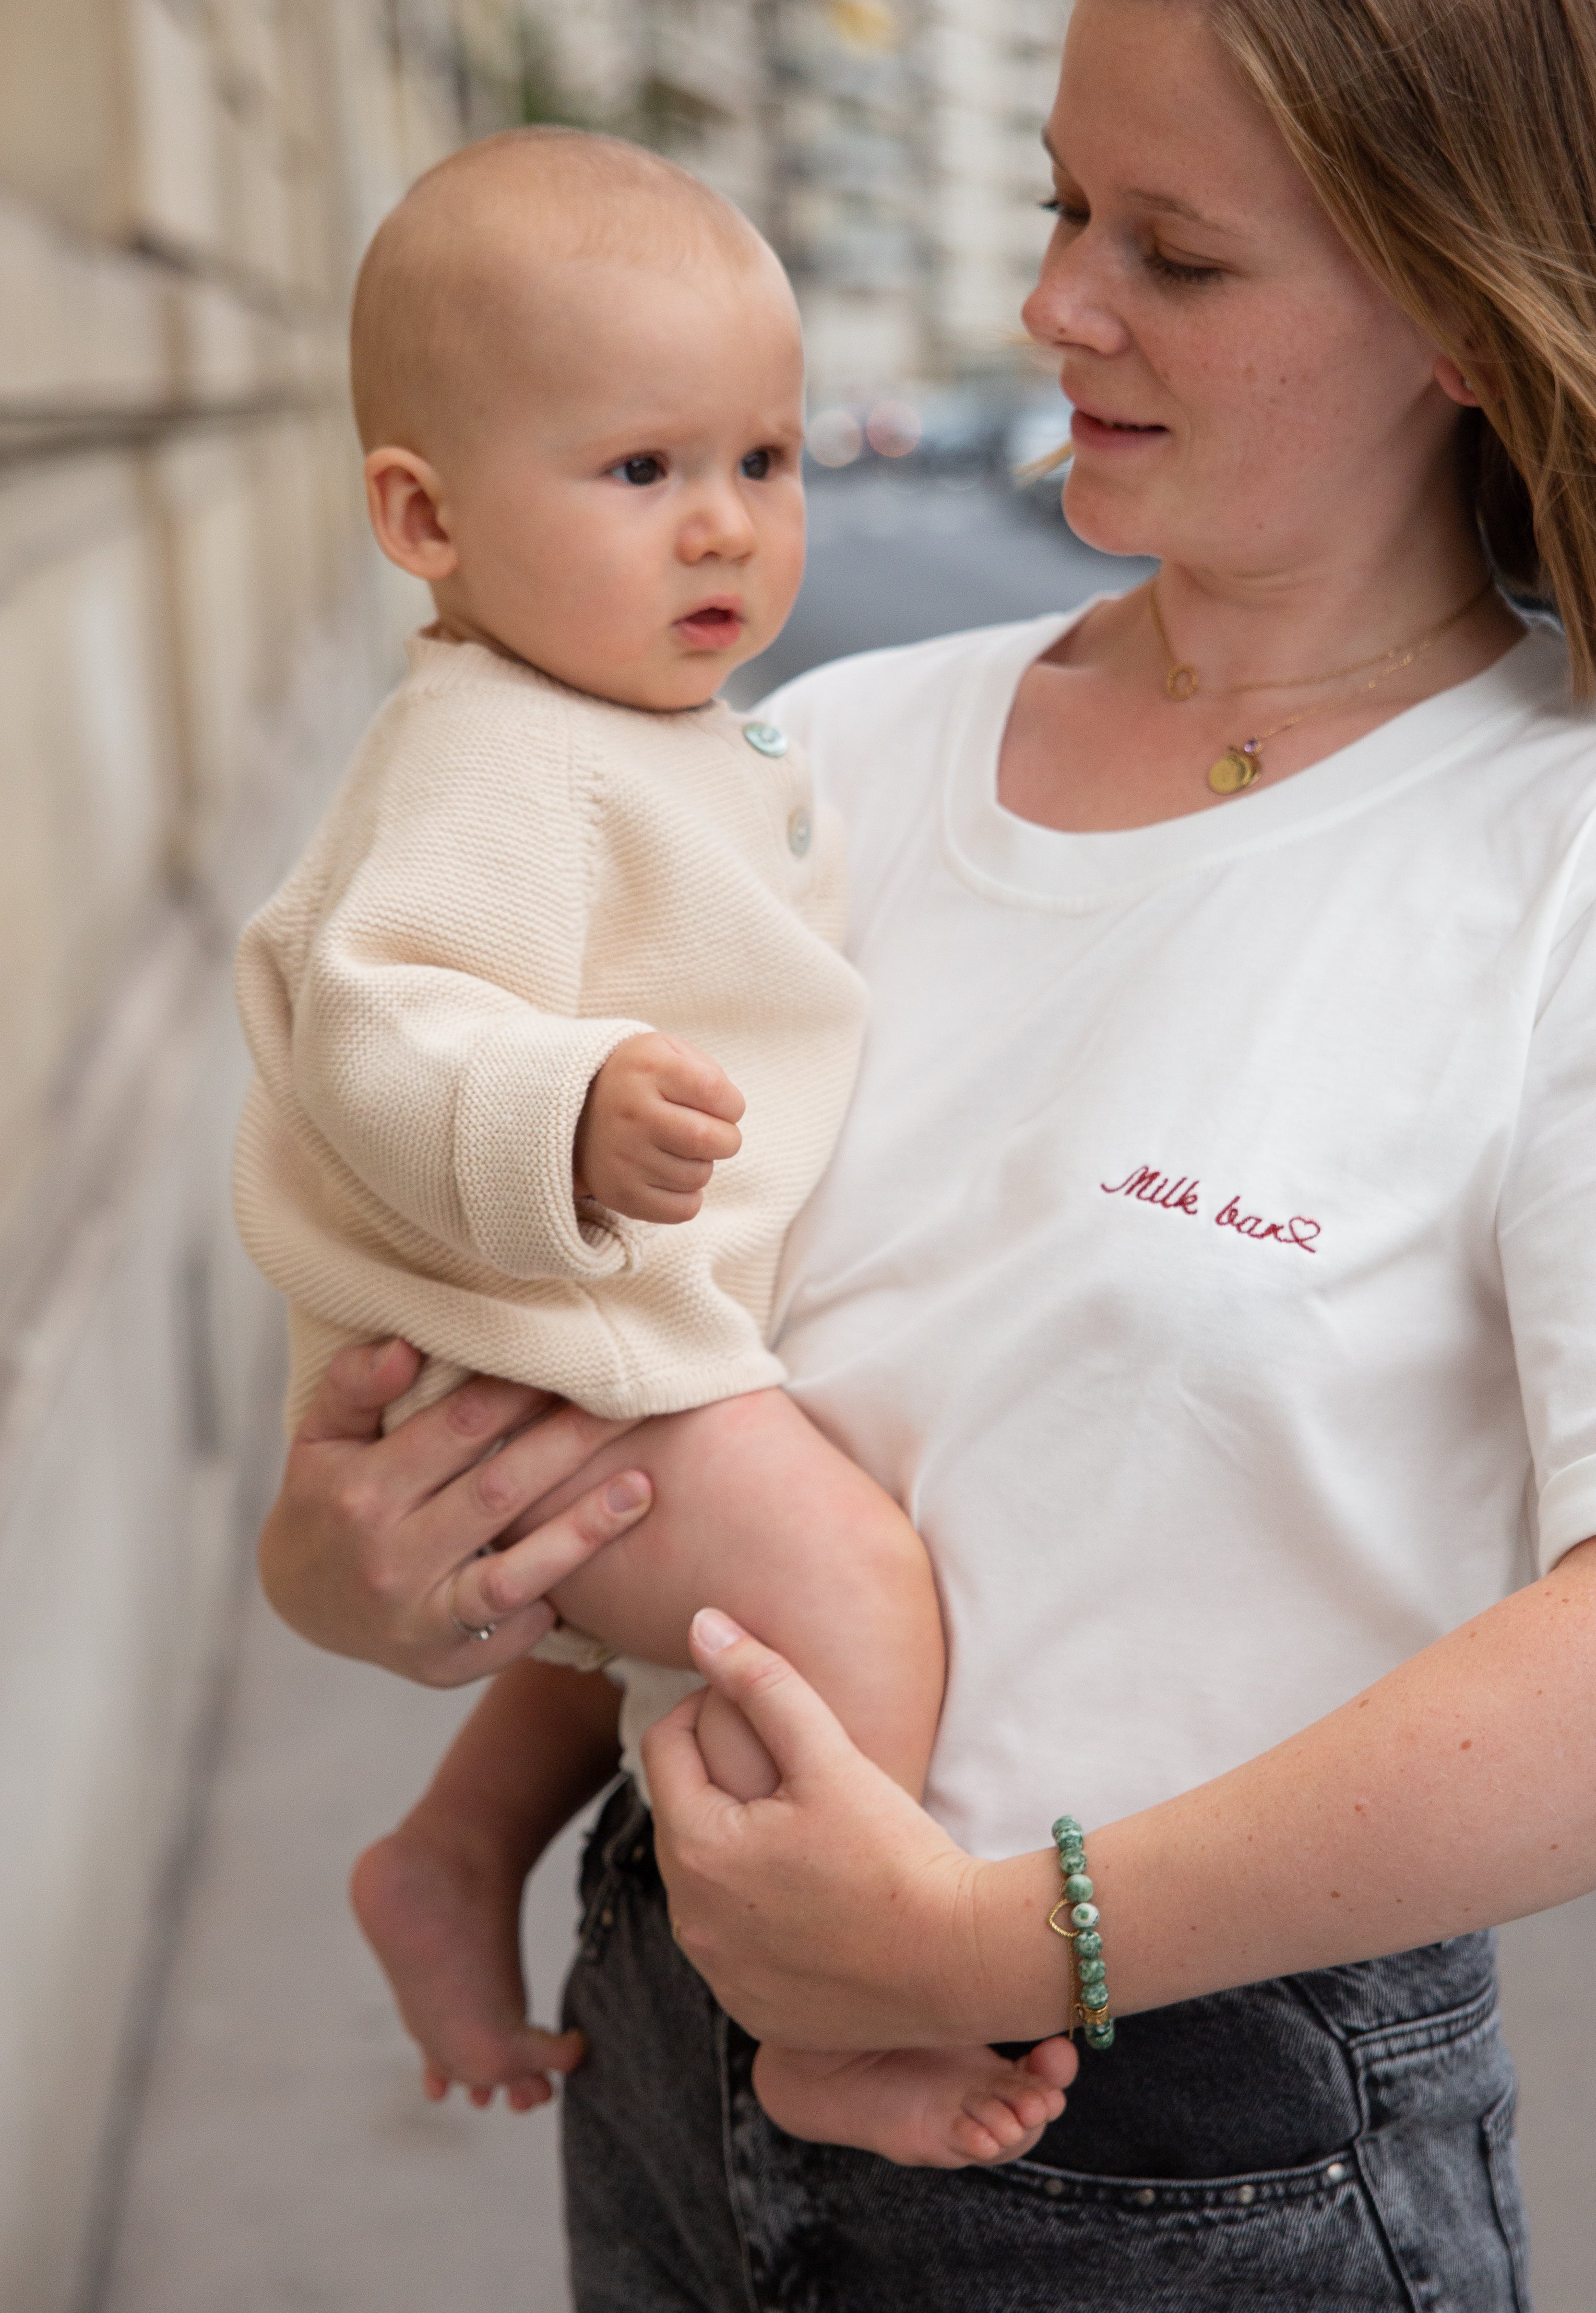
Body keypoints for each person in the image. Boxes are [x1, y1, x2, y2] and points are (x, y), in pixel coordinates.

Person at [257, 0, 1596, 2304]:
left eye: (1176, 251)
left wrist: (998, 1949)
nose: (1056, 307)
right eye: (1060, 208)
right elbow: (694, 1383)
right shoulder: (818, 751)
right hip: (669, 2024)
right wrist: (364, 1572)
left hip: (1177, 2147)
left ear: (1466, 309)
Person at [232, 126, 1075, 2165]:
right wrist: (570, 1106)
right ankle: (819, 2013)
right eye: (641, 474)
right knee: (849, 1594)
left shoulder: (676, 731)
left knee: (708, 1614)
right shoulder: (494, 751)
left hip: (603, 1324)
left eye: (763, 464)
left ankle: (449, 1854)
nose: (722, 530)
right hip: (531, 1326)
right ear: (422, 515)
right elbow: (376, 1013)